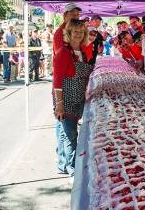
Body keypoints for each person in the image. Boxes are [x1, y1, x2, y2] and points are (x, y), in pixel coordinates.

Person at [53, 19, 92, 183]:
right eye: (75, 31)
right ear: (69, 33)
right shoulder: (63, 52)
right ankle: (72, 169)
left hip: (78, 96)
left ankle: (63, 164)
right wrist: (59, 104)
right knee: (71, 135)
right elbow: (57, 80)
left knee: (67, 132)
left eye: (81, 32)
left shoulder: (81, 51)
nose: (78, 34)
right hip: (66, 98)